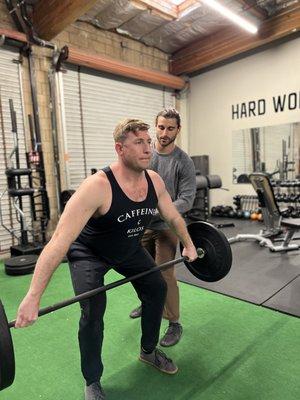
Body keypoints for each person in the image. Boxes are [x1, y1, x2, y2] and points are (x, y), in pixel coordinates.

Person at [14, 118, 198, 400]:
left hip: (127, 247)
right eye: (139, 142)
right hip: (89, 254)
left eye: (148, 142)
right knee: (93, 311)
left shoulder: (154, 181)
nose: (148, 148)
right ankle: (92, 380)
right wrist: (33, 296)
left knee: (156, 288)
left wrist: (188, 244)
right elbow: (59, 242)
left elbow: (172, 215)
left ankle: (148, 351)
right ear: (120, 148)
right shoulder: (97, 187)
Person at [129, 109, 196, 347]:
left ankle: (173, 322)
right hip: (142, 225)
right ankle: (147, 302)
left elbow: (187, 199)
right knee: (140, 270)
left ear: (178, 129)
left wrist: (160, 211)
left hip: (167, 226)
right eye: (160, 127)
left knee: (164, 273)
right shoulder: (145, 155)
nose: (164, 133)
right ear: (155, 127)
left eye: (170, 128)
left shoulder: (183, 161)